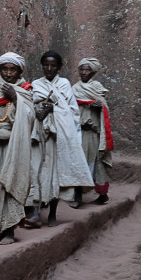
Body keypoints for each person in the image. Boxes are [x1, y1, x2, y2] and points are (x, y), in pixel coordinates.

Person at [0, 52, 36, 244]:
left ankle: (9, 230)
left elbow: (30, 117)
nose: (8, 73)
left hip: (14, 145)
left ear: (19, 72)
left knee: (9, 183)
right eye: (4, 69)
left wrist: (15, 98)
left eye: (13, 70)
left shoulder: (25, 90)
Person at [31, 50, 94, 226]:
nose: (49, 68)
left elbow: (72, 111)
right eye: (46, 65)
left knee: (55, 176)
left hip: (58, 139)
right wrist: (37, 112)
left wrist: (54, 110)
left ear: (59, 67)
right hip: (40, 136)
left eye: (53, 65)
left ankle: (52, 214)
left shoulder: (64, 84)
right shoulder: (36, 84)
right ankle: (35, 211)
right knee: (36, 172)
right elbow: (30, 107)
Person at [72, 57, 114, 205]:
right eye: (81, 69)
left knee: (96, 162)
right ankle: (77, 195)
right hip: (78, 131)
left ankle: (101, 194)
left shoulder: (96, 88)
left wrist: (98, 106)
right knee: (78, 162)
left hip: (92, 132)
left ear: (93, 72)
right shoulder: (74, 88)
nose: (84, 72)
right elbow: (69, 106)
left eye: (87, 70)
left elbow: (104, 106)